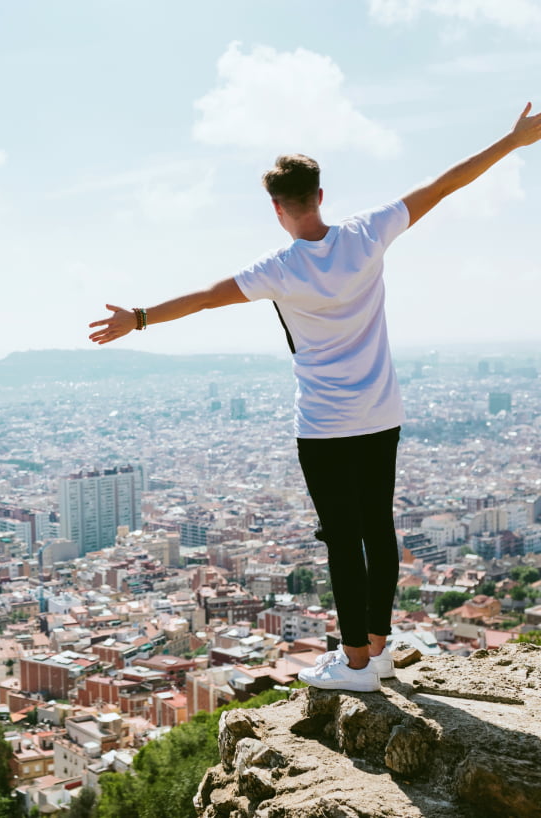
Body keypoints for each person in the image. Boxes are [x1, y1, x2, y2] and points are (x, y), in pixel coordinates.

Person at [88, 103, 541, 692]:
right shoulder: (367, 233)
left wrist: (140, 318)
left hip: (325, 424)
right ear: (321, 195)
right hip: (381, 414)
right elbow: (446, 184)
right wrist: (512, 141)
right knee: (379, 532)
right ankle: (377, 650)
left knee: (342, 540)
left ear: (278, 208)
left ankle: (354, 664)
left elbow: (202, 298)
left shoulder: (279, 268)